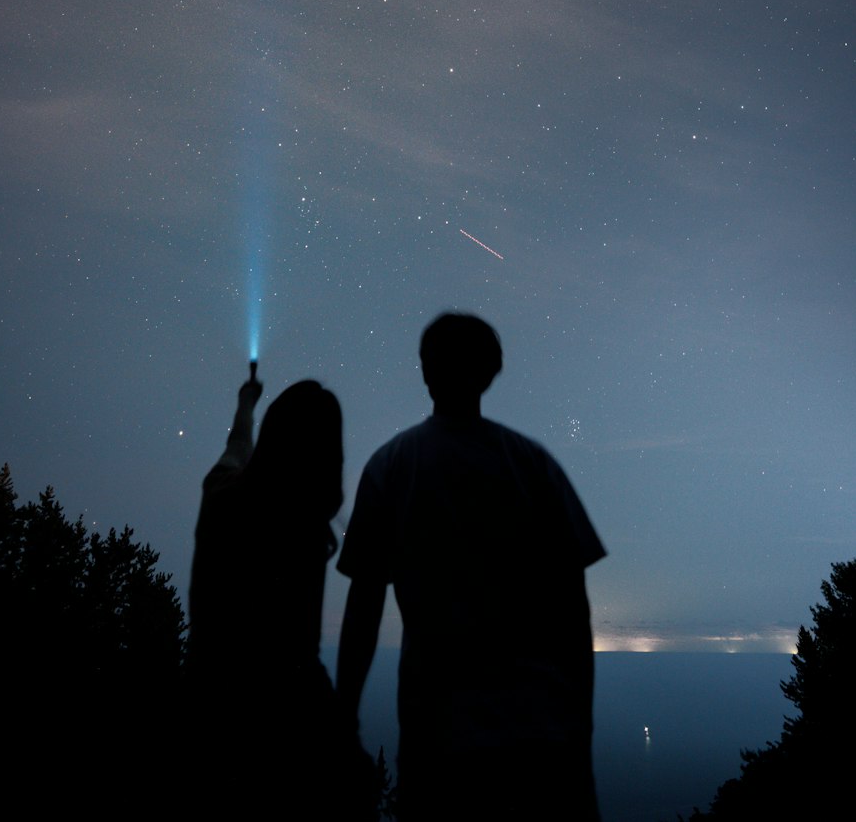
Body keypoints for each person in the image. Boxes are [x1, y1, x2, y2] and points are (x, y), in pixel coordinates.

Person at [337, 313, 606, 821]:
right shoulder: (534, 465)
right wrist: (580, 729)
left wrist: (344, 717)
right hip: (542, 735)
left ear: (425, 370)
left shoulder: (390, 466)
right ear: (492, 371)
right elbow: (575, 611)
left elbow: (364, 603)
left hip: (436, 737)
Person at [188, 367, 375, 820]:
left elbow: (237, 445)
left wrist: (247, 402)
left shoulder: (220, 495)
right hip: (291, 717)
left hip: (210, 705)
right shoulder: (308, 526)